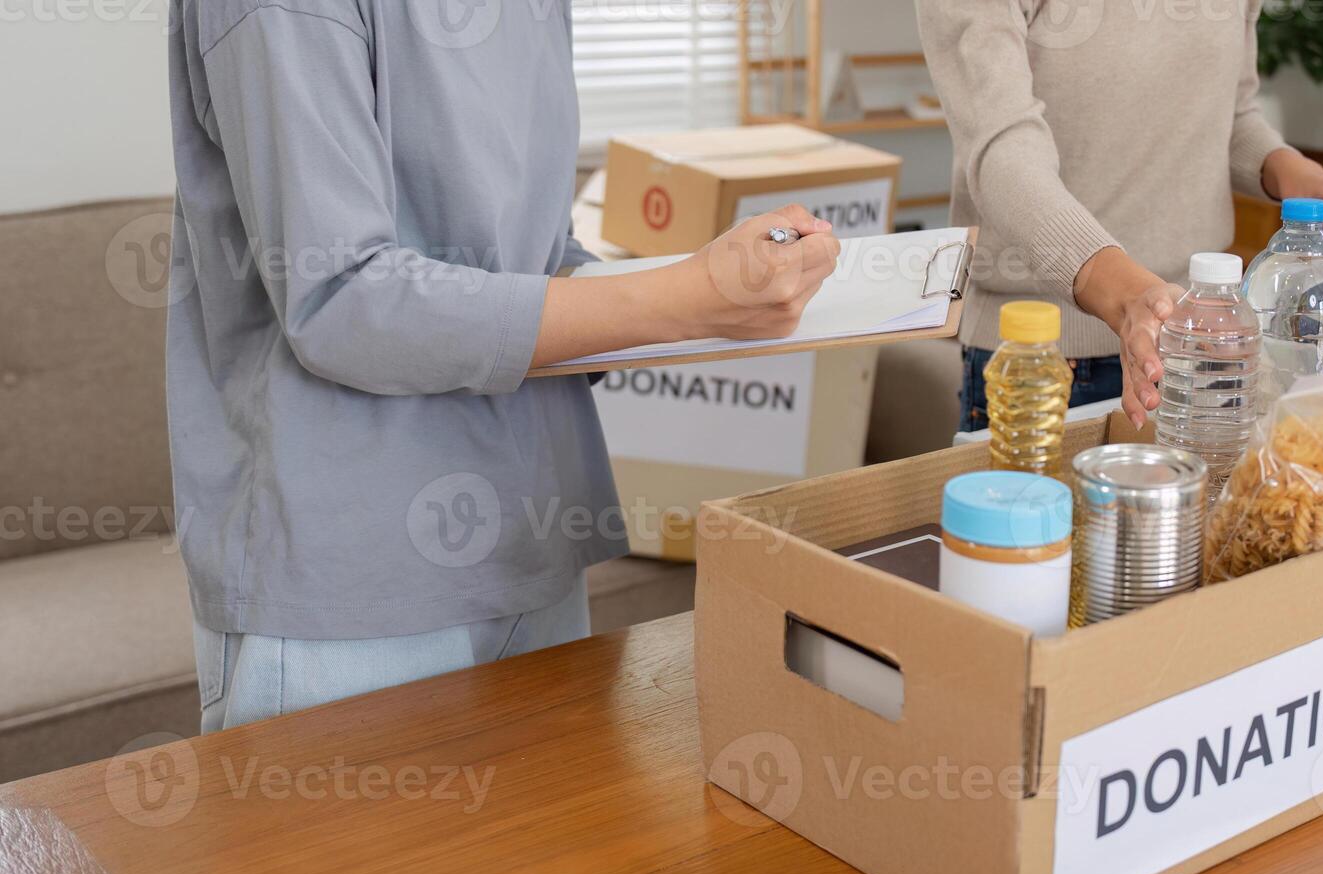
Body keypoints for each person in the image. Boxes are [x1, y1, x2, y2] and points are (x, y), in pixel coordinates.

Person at [167, 0, 839, 731]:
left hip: (531, 544)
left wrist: (715, 290)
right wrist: (683, 299)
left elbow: (537, 259)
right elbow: (342, 299)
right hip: (355, 579)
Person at [917, 0, 1323, 429]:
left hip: (1196, 347)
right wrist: (1129, 297)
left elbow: (1232, 115)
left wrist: (1304, 177)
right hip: (1043, 360)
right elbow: (1002, 152)